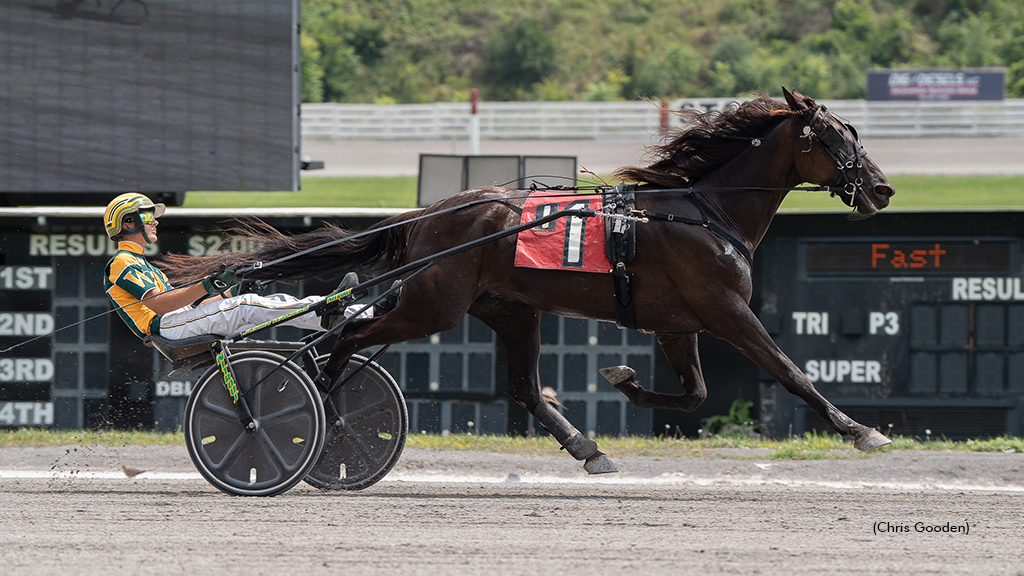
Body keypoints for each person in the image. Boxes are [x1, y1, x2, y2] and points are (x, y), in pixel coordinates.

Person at [102, 193, 380, 341]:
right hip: (164, 326)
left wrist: (231, 289)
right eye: (148, 215)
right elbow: (161, 305)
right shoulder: (121, 262)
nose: (154, 221)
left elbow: (189, 307)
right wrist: (208, 283)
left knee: (266, 300)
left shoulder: (140, 263)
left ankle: (360, 314)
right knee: (245, 306)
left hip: (178, 321)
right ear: (128, 223)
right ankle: (327, 315)